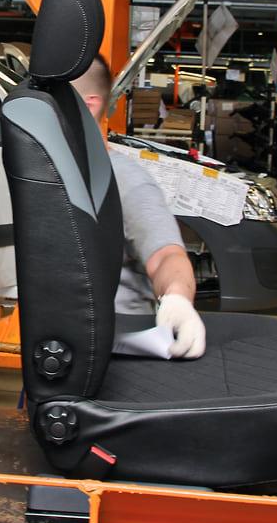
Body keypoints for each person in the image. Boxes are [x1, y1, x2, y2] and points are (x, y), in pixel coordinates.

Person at [71, 55, 205, 360]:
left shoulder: (125, 180)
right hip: (60, 338)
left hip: (115, 346)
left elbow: (167, 256)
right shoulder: (45, 173)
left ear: (88, 105)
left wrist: (177, 299)